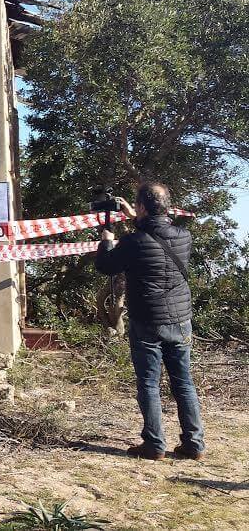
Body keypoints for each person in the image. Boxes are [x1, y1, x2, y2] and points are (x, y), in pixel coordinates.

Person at [95, 181, 204, 461]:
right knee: (183, 382)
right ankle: (194, 444)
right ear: (167, 207)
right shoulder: (184, 236)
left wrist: (107, 241)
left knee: (149, 383)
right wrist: (136, 215)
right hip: (181, 319)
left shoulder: (132, 242)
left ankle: (154, 444)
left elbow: (106, 266)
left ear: (142, 207)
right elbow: (156, 233)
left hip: (147, 319)